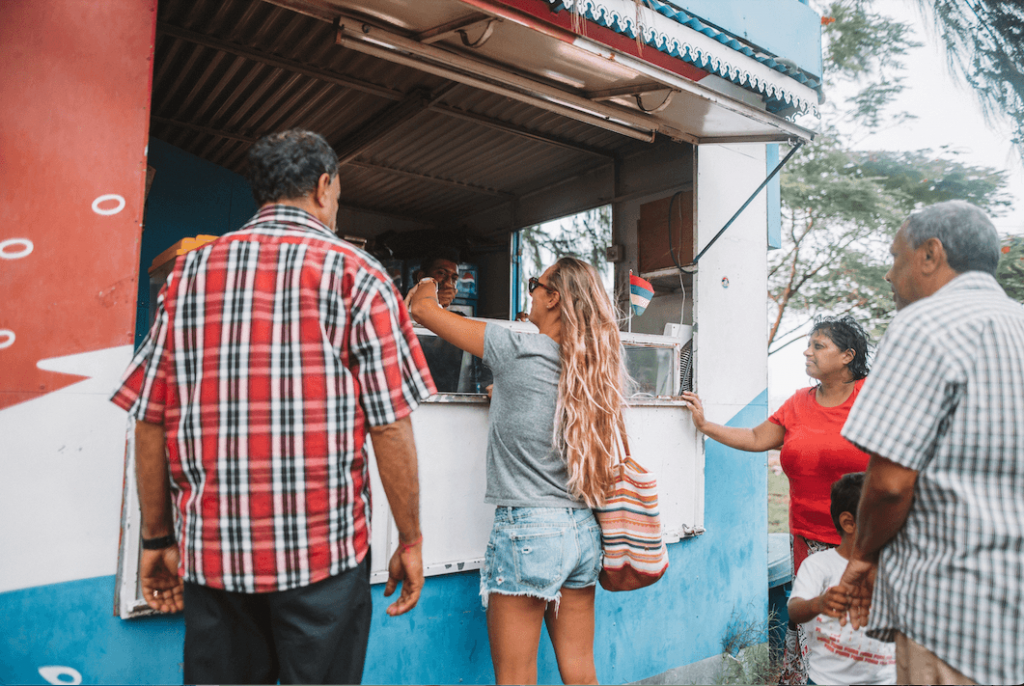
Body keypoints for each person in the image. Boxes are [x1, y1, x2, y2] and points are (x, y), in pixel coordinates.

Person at [110, 129, 436, 685]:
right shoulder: (360, 278)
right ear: (325, 187)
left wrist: (156, 538)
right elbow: (390, 426)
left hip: (214, 560)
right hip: (324, 563)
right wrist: (410, 539)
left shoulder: (187, 275)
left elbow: (150, 414)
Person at [406, 257, 625, 685]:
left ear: (553, 298)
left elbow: (422, 311)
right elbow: (539, 407)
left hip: (529, 530)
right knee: (581, 670)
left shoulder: (517, 348)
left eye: (534, 284)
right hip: (582, 531)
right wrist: (503, 391)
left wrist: (431, 278)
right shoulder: (591, 368)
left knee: (516, 677)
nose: (530, 293)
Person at [837, 200, 1024, 685]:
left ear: (930, 254)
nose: (887, 274)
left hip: (955, 616)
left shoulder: (924, 323)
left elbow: (891, 484)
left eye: (895, 257)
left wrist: (864, 554)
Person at [682, 314, 872, 571]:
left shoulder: (875, 397)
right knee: (815, 610)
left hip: (869, 543)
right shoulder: (799, 402)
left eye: (818, 346)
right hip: (808, 542)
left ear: (847, 356)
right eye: (808, 344)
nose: (807, 352)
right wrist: (705, 425)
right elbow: (756, 437)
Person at [788, 472, 895, 686]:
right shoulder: (819, 566)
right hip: (828, 681)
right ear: (849, 523)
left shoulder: (893, 567)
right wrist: (820, 603)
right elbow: (794, 610)